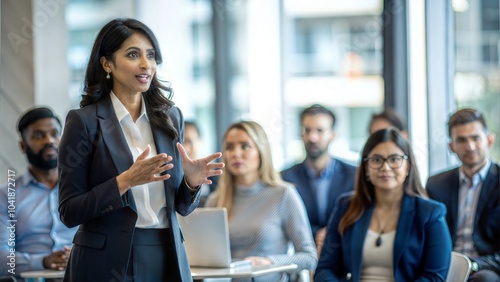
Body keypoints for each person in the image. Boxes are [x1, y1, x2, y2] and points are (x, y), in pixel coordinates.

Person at [57, 18, 224, 282]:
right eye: (133, 55)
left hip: (166, 253)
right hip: (105, 260)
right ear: (107, 63)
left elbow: (180, 207)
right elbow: (69, 211)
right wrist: (125, 181)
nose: (146, 64)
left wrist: (191, 184)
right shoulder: (84, 122)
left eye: (151, 56)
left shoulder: (171, 118)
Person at [315, 128, 452, 281]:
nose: (385, 168)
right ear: (366, 168)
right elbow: (325, 269)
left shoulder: (430, 213)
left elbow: (434, 277)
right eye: (376, 160)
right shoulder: (346, 207)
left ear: (407, 166)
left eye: (394, 159)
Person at [205, 121, 317, 281]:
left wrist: (271, 262)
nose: (236, 153)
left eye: (245, 146)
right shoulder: (215, 201)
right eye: (230, 147)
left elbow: (309, 257)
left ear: (261, 151)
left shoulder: (283, 194)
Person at [0, 107, 77, 280]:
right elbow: (2, 259)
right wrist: (44, 261)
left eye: (55, 134)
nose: (49, 141)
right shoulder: (6, 196)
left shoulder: (84, 188)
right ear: (22, 146)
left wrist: (81, 254)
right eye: (38, 136)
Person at [426, 108, 500, 282]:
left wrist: (473, 265)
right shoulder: (436, 184)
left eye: (475, 138)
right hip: (444, 263)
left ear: (489, 141)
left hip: (484, 267)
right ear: (451, 146)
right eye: (461, 140)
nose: (470, 146)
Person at [281, 104, 356, 253]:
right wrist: (316, 234)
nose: (312, 137)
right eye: (307, 130)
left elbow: (358, 215)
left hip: (344, 252)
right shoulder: (285, 178)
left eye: (320, 131)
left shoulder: (354, 175)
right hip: (301, 253)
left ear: (333, 134)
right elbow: (282, 222)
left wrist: (332, 232)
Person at [184, 121, 218, 206]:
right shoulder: (169, 179)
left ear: (200, 142)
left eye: (189, 141)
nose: (184, 148)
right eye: (181, 142)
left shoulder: (217, 178)